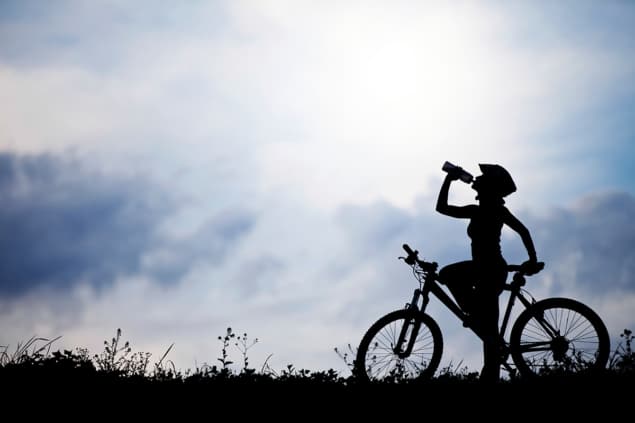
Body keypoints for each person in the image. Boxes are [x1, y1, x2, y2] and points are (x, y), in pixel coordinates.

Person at [436, 163, 539, 382]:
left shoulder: (495, 210)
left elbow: (524, 231)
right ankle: (490, 373)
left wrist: (532, 259)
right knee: (488, 330)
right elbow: (442, 209)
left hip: (491, 269)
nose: (477, 180)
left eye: (483, 178)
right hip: (485, 269)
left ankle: (473, 316)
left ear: (490, 187)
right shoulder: (478, 210)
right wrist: (449, 179)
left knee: (448, 275)